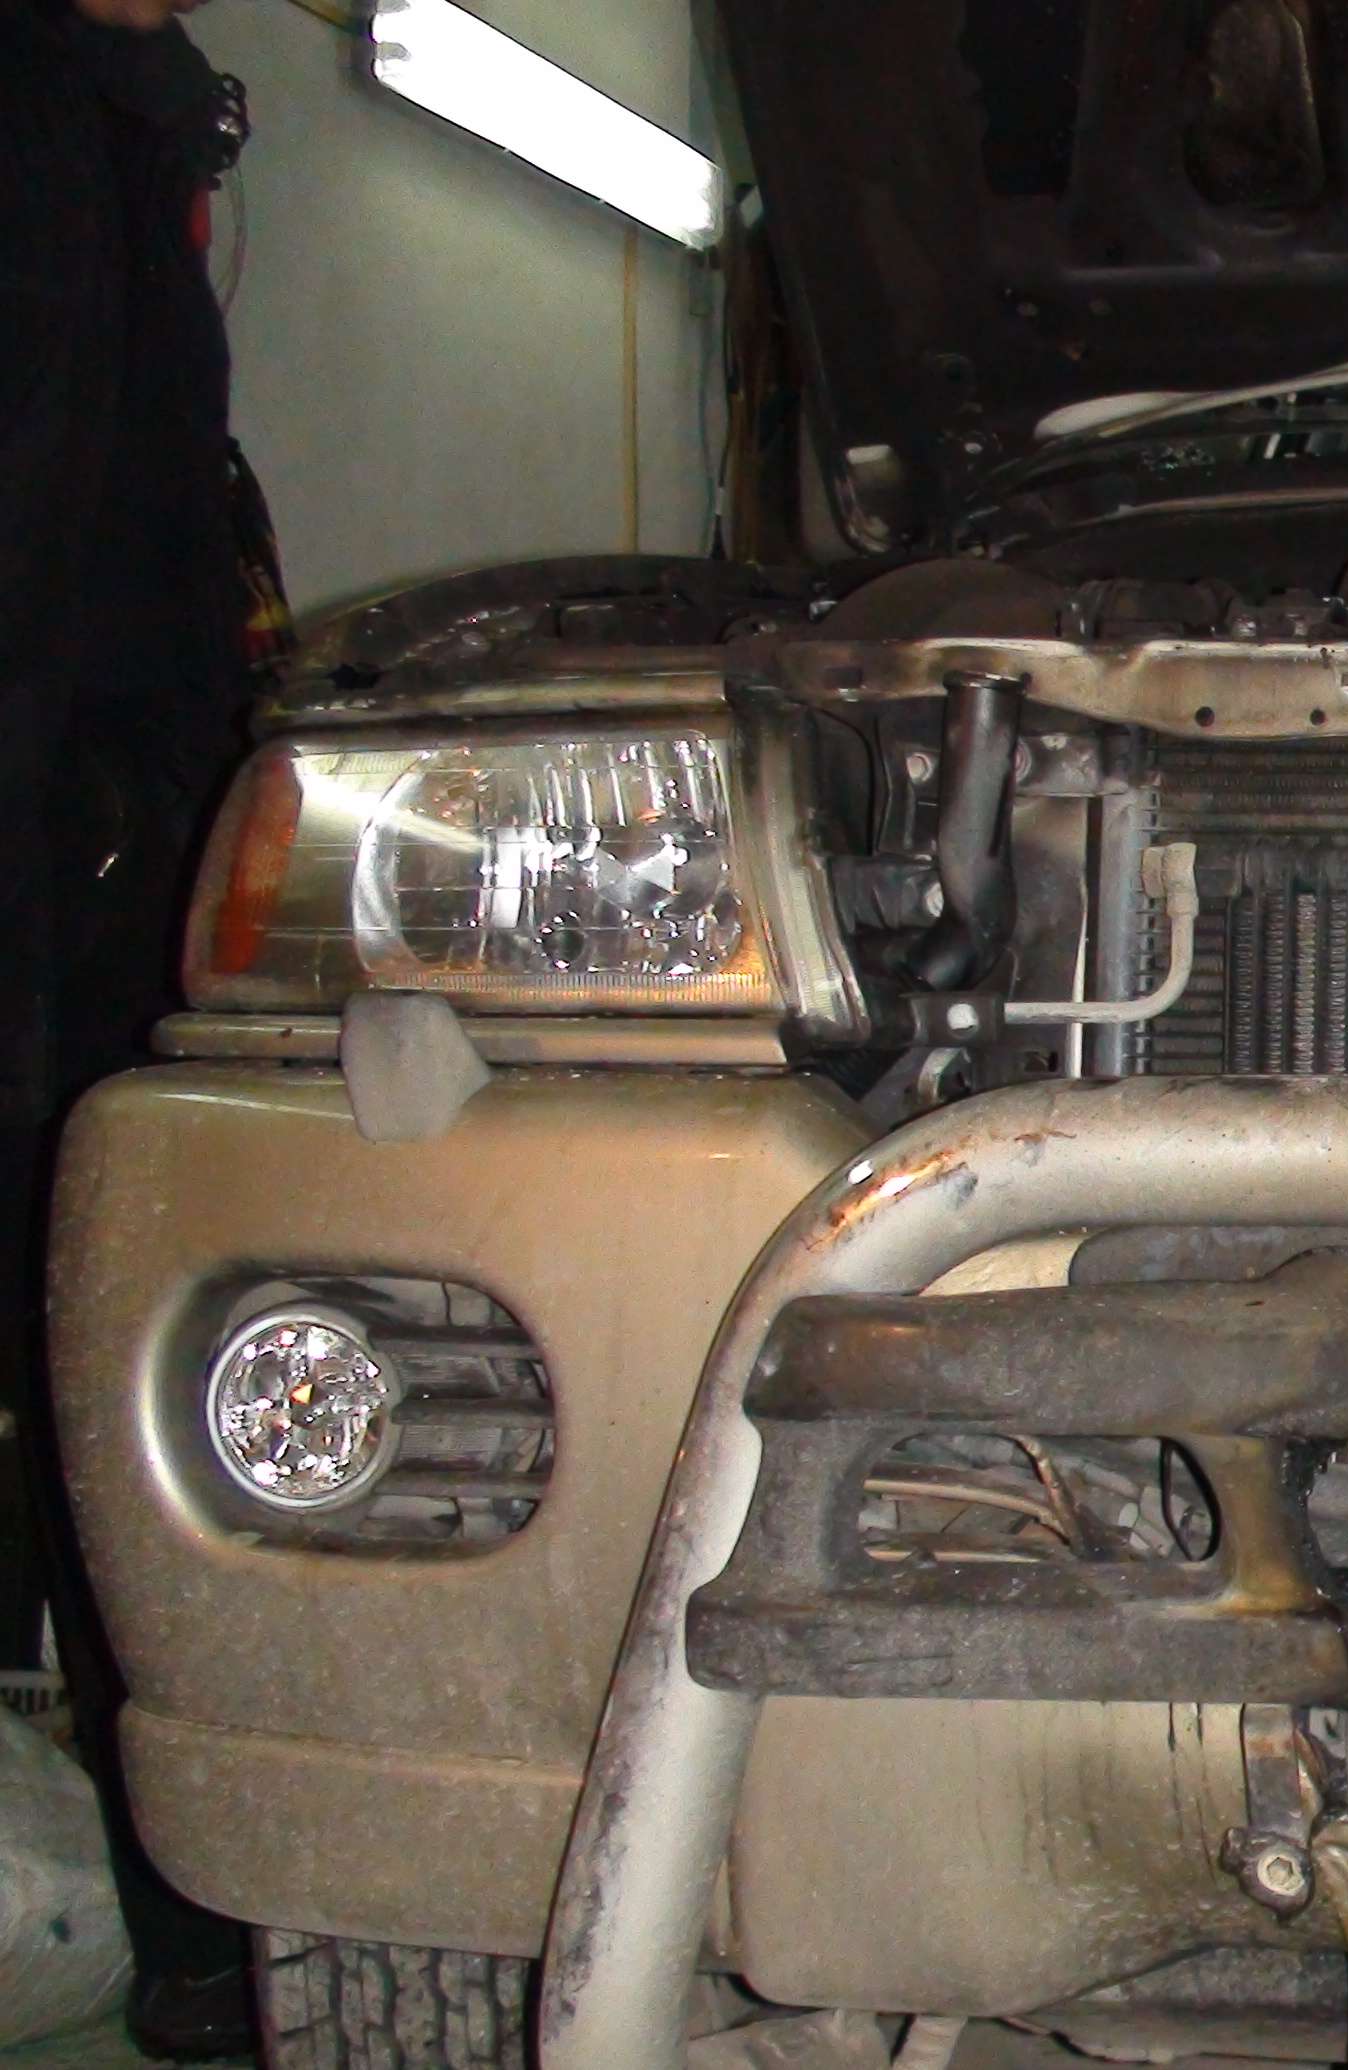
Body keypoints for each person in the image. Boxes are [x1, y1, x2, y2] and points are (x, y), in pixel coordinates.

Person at [0, 0, 277, 2054]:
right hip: (62, 859)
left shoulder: (134, 126)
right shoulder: (44, 127)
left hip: (108, 855)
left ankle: (188, 1941)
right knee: (100, 1364)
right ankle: (184, 1945)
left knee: (109, 1369)